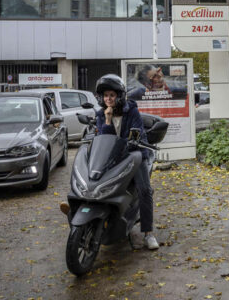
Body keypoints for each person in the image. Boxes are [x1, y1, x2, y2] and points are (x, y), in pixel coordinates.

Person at [59, 74, 159, 250]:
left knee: (145, 190)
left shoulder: (132, 111)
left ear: (119, 96)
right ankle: (78, 203)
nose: (108, 99)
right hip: (111, 156)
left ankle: (148, 233)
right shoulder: (100, 113)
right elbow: (104, 138)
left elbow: (137, 131)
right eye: (105, 96)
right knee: (91, 178)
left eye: (112, 95)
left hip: (133, 153)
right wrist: (107, 119)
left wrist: (134, 140)